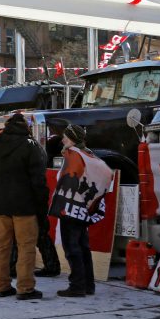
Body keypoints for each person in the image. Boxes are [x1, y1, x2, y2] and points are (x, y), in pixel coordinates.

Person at [0, 112, 48, 300]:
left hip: (0, 206)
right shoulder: (31, 147)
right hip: (25, 207)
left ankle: (2, 286)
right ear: (26, 127)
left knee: (1, 247)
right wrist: (41, 208)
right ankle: (25, 287)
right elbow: (39, 182)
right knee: (26, 247)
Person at [52, 124, 112, 298]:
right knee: (83, 246)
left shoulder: (74, 155)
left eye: (65, 137)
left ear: (71, 139)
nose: (62, 140)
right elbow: (107, 174)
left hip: (70, 207)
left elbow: (67, 179)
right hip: (84, 209)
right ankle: (88, 284)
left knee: (72, 247)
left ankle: (77, 285)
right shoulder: (89, 154)